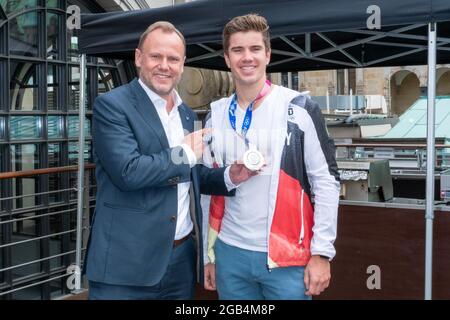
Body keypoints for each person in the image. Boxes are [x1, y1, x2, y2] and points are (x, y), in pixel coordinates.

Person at [85, 21, 255, 300]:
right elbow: (128, 172)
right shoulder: (112, 105)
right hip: (126, 265)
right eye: (156, 56)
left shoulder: (186, 113)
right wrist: (185, 153)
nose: (165, 65)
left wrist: (230, 176)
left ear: (182, 63)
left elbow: (189, 174)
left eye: (173, 59)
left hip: (179, 261)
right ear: (139, 58)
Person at [202, 14, 340, 300]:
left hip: (286, 256)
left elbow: (326, 181)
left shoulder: (299, 106)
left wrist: (322, 252)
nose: (247, 57)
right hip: (230, 253)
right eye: (237, 50)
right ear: (227, 58)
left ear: (267, 54)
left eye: (254, 49)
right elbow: (206, 190)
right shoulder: (215, 113)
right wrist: (209, 253)